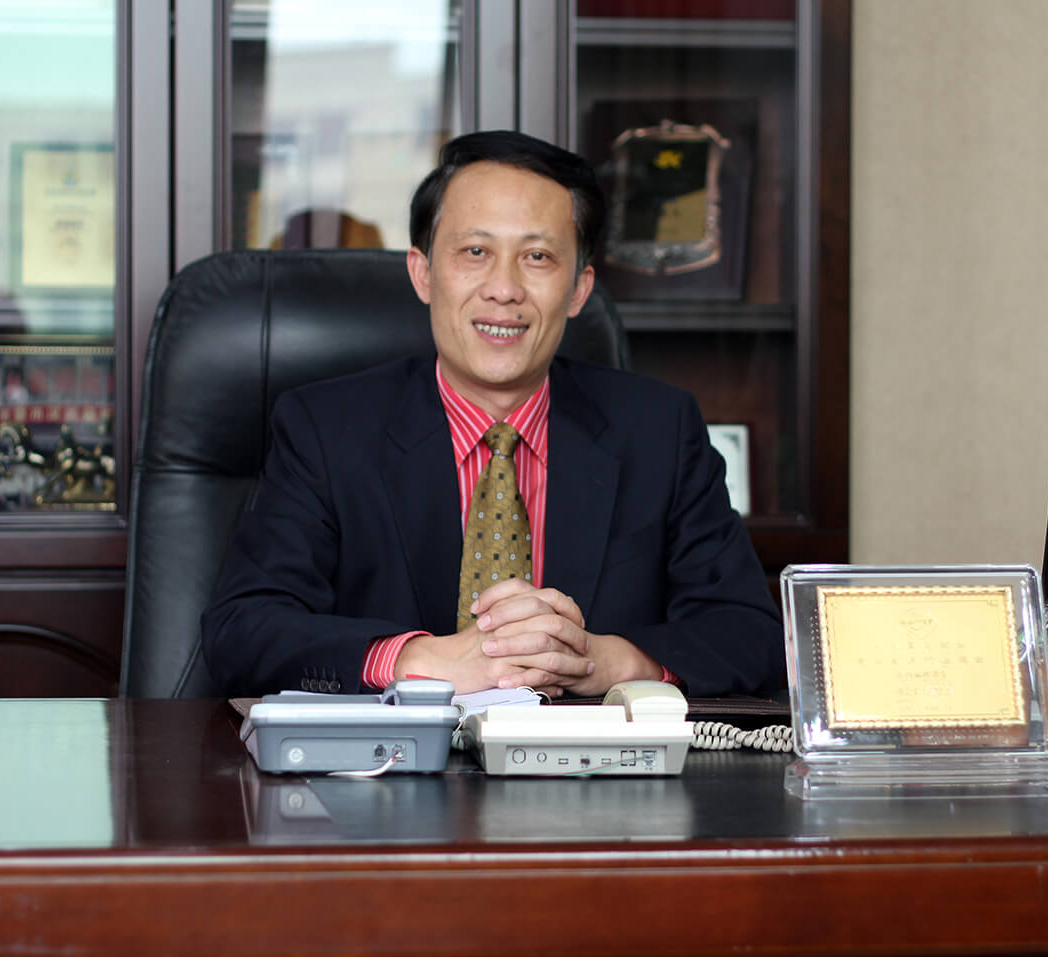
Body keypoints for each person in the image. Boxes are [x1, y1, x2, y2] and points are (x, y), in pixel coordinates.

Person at [201, 130, 783, 699]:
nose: (504, 289)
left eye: (537, 257)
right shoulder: (325, 429)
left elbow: (751, 634)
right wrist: (415, 660)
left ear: (579, 290)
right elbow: (242, 631)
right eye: (475, 252)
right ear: (423, 273)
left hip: (585, 763)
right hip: (389, 762)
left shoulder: (659, 431)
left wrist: (611, 660)